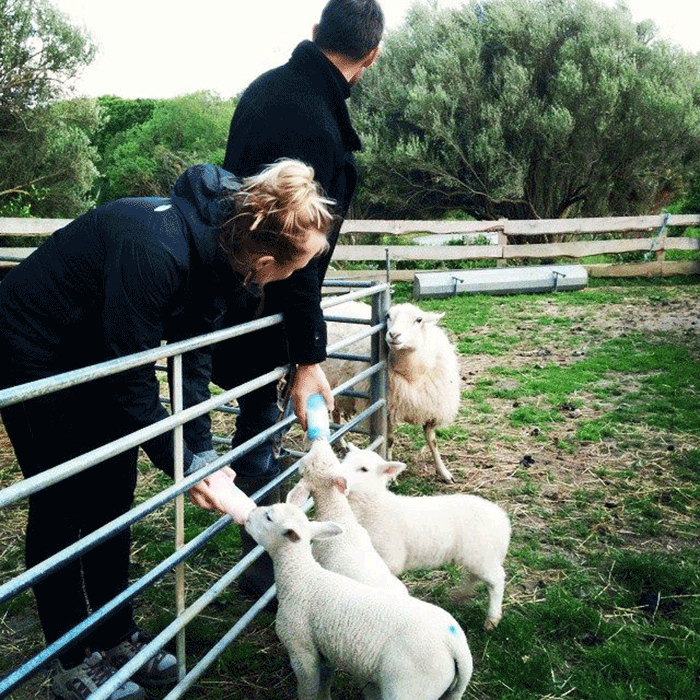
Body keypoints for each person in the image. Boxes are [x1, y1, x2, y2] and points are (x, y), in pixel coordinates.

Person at [0, 159, 334, 700]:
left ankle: (114, 633)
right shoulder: (158, 250)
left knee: (114, 486)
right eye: (296, 270)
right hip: (35, 348)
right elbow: (131, 381)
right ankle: (70, 658)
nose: (295, 279)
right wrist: (181, 460)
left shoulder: (227, 255)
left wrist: (199, 453)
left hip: (100, 347)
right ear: (270, 259)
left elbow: (191, 358)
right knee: (63, 496)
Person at [212, 0, 384, 597]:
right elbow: (298, 259)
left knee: (258, 424)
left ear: (316, 33)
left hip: (234, 287)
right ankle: (266, 569)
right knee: (261, 427)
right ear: (372, 55)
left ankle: (261, 550)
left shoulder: (263, 91)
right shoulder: (320, 126)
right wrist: (309, 357)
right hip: (268, 303)